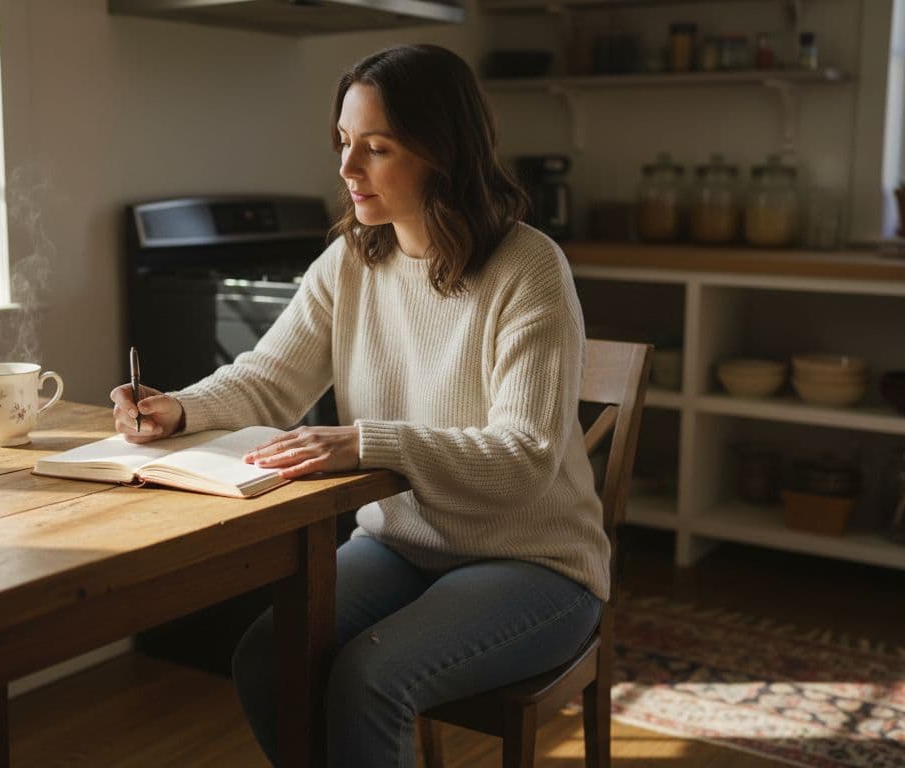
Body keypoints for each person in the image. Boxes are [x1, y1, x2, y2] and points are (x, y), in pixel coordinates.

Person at [110, 43, 608, 768]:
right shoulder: (352, 259)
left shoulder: (527, 268)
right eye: (345, 142)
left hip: (536, 564)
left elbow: (526, 459)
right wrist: (177, 409)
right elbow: (267, 380)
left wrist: (369, 442)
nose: (347, 169)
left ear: (444, 152)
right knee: (265, 658)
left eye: (376, 148)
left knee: (373, 679)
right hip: (400, 546)